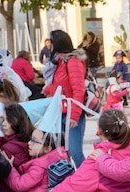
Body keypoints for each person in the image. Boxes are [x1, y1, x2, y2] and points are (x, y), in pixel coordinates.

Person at [43, 29, 87, 168]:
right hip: (60, 112)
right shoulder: (60, 62)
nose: (49, 47)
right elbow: (61, 85)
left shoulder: (72, 61)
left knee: (75, 152)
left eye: (51, 43)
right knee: (64, 152)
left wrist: (74, 115)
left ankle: (88, 179)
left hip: (71, 114)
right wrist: (47, 90)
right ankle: (71, 182)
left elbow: (78, 89)